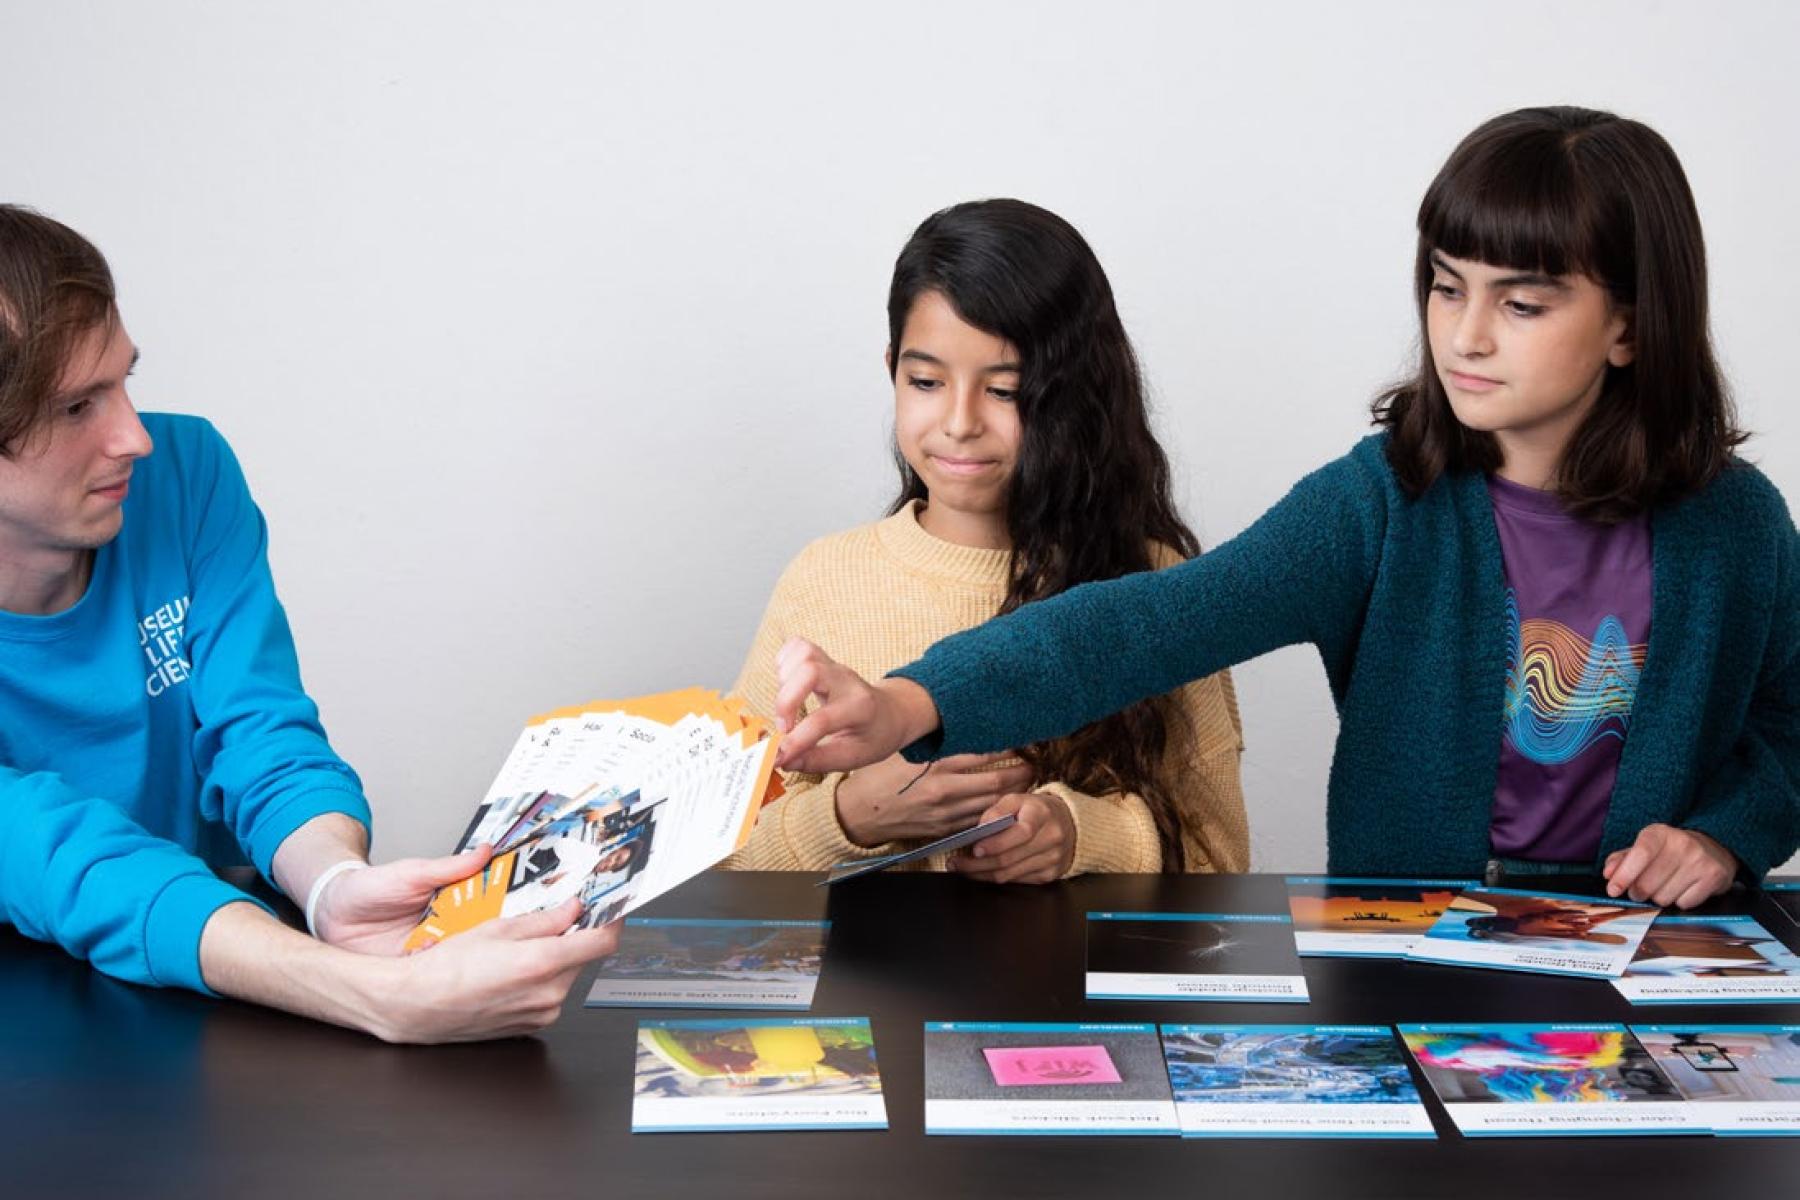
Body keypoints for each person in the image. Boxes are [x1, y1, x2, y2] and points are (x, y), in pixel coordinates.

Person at [769, 107, 1800, 908]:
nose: (1467, 336)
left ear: (1629, 325)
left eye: (1522, 304)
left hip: (1652, 968)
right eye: (1447, 288)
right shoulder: (1380, 503)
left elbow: (1793, 729)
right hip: (1411, 959)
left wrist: (1724, 834)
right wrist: (914, 704)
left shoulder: (1737, 525)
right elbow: (1146, 623)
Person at [0, 205, 617, 1041]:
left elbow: (261, 730)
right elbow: (56, 856)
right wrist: (372, 995)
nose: (134, 436)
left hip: (215, 986)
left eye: (125, 381)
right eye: (77, 407)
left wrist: (330, 888)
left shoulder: (188, 472)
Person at [723, 199, 1249, 883]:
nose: (960, 422)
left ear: (1075, 397)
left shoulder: (1154, 586)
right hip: (869, 990)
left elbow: (1225, 870)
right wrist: (850, 817)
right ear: (891, 369)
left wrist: (1080, 835)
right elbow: (722, 869)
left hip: (1070, 990)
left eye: (1006, 390)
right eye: (926, 382)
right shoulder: (824, 580)